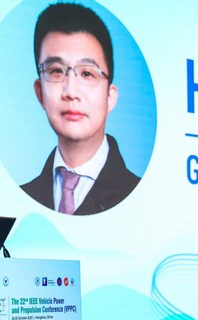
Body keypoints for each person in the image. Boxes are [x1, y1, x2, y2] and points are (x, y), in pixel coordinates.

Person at [21, 2, 140, 215]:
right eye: (56, 71)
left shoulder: (141, 195)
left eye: (87, 73)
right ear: (40, 93)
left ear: (110, 96)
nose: (71, 91)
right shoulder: (21, 197)